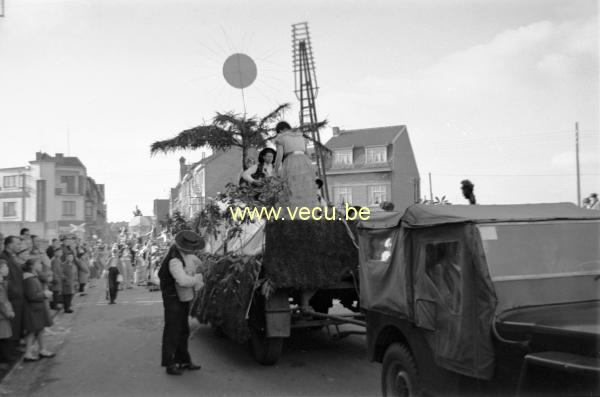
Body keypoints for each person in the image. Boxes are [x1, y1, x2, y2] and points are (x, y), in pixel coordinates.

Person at [158, 231, 205, 375]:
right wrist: (197, 280)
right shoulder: (174, 260)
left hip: (180, 297)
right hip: (173, 298)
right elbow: (183, 281)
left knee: (183, 330)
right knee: (172, 330)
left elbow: (193, 259)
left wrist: (202, 265)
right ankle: (170, 363)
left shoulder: (181, 254)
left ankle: (183, 360)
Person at [273, 121, 319, 209]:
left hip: (291, 161)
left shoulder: (281, 137)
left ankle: (294, 212)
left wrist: (276, 170)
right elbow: (307, 153)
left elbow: (279, 155)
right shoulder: (300, 136)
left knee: (291, 187)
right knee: (305, 189)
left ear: (280, 130)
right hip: (305, 162)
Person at [22, 258, 54, 361]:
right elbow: (31, 296)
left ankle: (42, 350)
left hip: (37, 308)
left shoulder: (32, 277)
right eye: (38, 263)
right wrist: (44, 294)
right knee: (32, 331)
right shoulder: (29, 279)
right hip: (33, 309)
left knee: (39, 330)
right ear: (32, 266)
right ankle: (28, 353)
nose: (40, 265)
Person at [0, 236, 24, 364]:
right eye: (17, 243)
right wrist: (15, 291)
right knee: (10, 326)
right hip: (12, 297)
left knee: (16, 325)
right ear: (9, 245)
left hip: (17, 296)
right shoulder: (4, 258)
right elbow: (7, 279)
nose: (19, 246)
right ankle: (9, 354)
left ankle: (14, 348)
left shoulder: (12, 257)